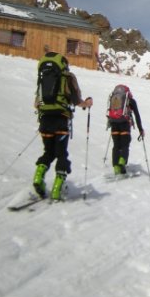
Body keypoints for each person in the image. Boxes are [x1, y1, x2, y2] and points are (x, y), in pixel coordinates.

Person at [32, 52, 93, 200]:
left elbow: (36, 103)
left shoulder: (43, 78)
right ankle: (58, 186)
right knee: (61, 153)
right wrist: (87, 103)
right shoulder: (67, 77)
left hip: (45, 120)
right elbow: (76, 100)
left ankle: (38, 176)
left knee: (48, 152)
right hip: (61, 120)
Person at [107, 84, 144, 175]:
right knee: (125, 144)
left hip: (114, 123)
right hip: (124, 124)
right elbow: (137, 115)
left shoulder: (113, 98)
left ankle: (116, 167)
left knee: (116, 145)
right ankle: (122, 162)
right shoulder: (130, 100)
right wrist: (140, 129)